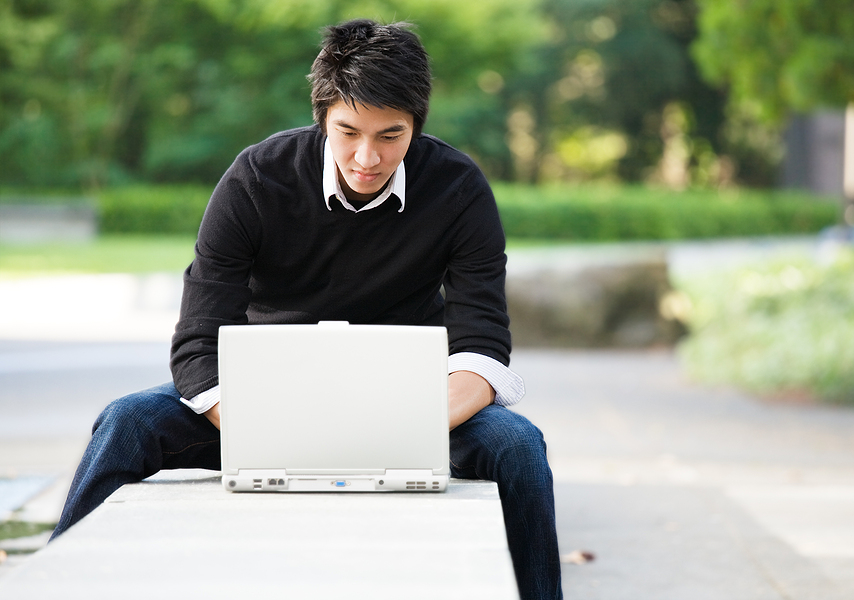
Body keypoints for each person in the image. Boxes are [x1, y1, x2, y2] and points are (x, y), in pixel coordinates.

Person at [50, 19, 562, 599]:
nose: (367, 157)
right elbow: (197, 344)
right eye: (348, 131)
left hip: (407, 411)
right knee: (127, 423)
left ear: (417, 123)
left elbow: (481, 345)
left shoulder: (458, 189)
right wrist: (273, 431)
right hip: (259, 408)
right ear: (322, 116)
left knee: (518, 447)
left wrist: (399, 431)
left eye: (391, 136)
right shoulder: (256, 179)